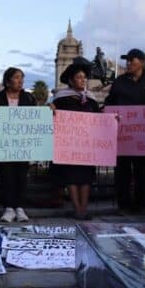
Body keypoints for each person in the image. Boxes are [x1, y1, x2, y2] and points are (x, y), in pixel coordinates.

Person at [105, 48, 145, 214]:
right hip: (123, 136)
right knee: (122, 173)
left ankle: (141, 205)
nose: (129, 63)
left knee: (142, 172)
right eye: (127, 60)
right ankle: (123, 205)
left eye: (133, 60)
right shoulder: (119, 82)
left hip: (143, 139)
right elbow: (109, 103)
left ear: (142, 62)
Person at [50, 58, 101, 220]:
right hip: (70, 145)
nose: (83, 80)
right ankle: (77, 209)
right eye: (79, 77)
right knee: (72, 177)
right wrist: (51, 110)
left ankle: (84, 210)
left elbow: (98, 118)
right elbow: (55, 118)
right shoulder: (61, 98)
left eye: (84, 78)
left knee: (86, 178)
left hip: (87, 145)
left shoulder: (91, 99)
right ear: (71, 80)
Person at [0, 67, 37, 222]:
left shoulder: (29, 98)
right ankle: (8, 208)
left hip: (23, 144)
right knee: (6, 175)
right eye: (16, 77)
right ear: (8, 80)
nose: (20, 81)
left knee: (22, 175)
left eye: (22, 78)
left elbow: (36, 119)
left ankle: (20, 208)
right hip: (4, 144)